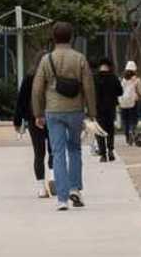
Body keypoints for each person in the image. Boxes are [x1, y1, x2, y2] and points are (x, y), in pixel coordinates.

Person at [30, 22, 97, 210]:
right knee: (74, 149)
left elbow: (37, 89)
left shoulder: (46, 60)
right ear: (71, 37)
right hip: (75, 110)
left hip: (53, 111)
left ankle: (62, 198)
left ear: (53, 38)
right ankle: (75, 189)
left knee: (57, 152)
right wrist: (91, 113)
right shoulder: (80, 58)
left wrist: (38, 113)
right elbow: (89, 86)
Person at [14, 64, 51, 198]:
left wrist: (18, 121)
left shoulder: (29, 78)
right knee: (54, 150)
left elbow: (21, 100)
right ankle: (53, 179)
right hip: (52, 116)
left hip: (33, 118)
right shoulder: (51, 77)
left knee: (39, 153)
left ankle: (41, 188)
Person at [91, 56, 124, 164]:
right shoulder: (113, 77)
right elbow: (120, 92)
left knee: (99, 131)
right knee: (110, 129)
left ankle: (103, 155)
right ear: (109, 66)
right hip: (110, 108)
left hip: (98, 108)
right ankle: (110, 150)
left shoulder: (94, 77)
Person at [118, 60, 141, 147]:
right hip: (132, 103)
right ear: (135, 70)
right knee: (133, 119)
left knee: (125, 120)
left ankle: (127, 138)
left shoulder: (121, 80)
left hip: (123, 103)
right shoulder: (137, 80)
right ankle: (131, 131)